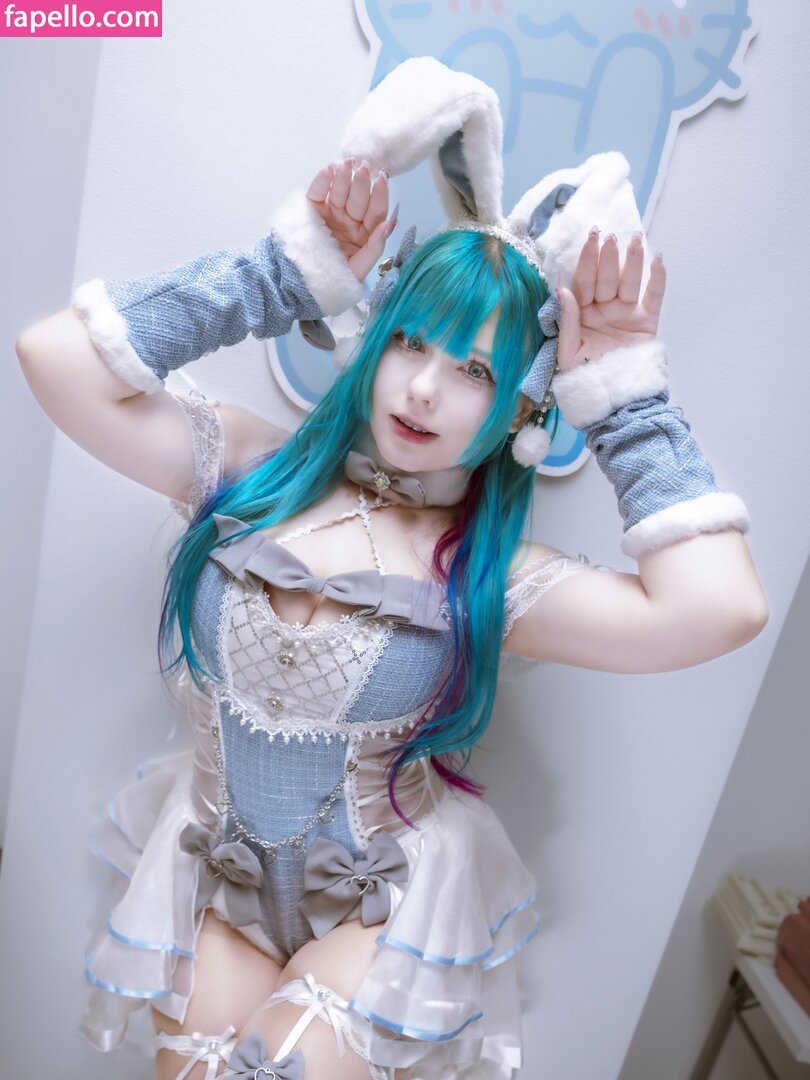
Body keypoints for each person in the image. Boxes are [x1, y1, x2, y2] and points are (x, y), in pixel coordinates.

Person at [16, 78, 768, 1080]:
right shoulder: (247, 468)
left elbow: (721, 607)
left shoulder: (491, 577)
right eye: (411, 343)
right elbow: (54, 357)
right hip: (220, 886)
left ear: (522, 408)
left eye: (475, 371)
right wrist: (279, 275)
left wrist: (625, 396)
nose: (422, 388)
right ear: (372, 340)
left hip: (381, 914)